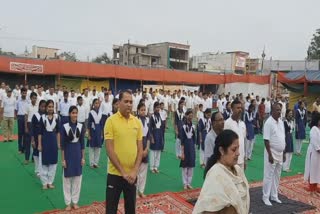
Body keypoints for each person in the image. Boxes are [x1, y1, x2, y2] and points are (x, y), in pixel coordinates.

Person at [193, 130, 250, 214]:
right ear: (222, 150)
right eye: (234, 149)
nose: (238, 153)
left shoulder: (238, 169)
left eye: (238, 148)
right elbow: (209, 210)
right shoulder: (215, 175)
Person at [105, 90, 143, 214]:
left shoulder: (137, 122)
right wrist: (122, 172)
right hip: (115, 174)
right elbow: (109, 150)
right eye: (126, 101)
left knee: (131, 209)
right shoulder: (110, 121)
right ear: (119, 103)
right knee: (111, 209)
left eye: (131, 102)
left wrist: (134, 171)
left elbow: (140, 149)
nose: (129, 104)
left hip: (131, 176)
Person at [61, 106, 85, 210]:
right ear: (69, 114)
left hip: (77, 154)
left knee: (77, 179)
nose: (75, 115)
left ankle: (75, 202)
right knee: (67, 179)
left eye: (76, 113)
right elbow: (62, 145)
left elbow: (82, 143)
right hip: (68, 154)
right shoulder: (65, 127)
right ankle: (67, 203)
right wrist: (63, 160)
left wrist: (83, 157)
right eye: (73, 113)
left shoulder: (80, 126)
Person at [262, 103, 286, 206]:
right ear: (272, 111)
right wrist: (270, 155)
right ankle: (265, 197)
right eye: (277, 110)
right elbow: (266, 140)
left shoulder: (281, 122)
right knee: (268, 175)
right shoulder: (268, 123)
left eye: (280, 110)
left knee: (277, 175)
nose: (279, 112)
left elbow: (283, 138)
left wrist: (284, 153)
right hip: (271, 152)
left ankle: (274, 195)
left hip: (280, 153)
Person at [38, 100, 60, 189]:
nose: (50, 108)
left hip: (53, 143)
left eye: (52, 106)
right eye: (49, 107)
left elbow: (58, 132)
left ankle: (50, 182)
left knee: (53, 163)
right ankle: (44, 182)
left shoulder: (57, 118)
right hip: (45, 142)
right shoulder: (42, 118)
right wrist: (39, 144)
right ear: (46, 108)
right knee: (44, 163)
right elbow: (40, 133)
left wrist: (58, 143)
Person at [224, 100, 246, 170]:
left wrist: (244, 159)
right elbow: (225, 143)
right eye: (237, 108)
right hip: (231, 161)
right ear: (232, 109)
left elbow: (243, 142)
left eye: (240, 108)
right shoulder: (227, 123)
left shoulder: (242, 124)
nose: (240, 110)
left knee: (241, 180)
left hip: (241, 159)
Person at [136, 103, 150, 198]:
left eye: (144, 110)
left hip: (146, 146)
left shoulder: (148, 120)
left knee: (144, 172)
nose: (143, 111)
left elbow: (149, 135)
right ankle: (135, 192)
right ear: (138, 110)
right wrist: (141, 150)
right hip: (137, 146)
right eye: (141, 110)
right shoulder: (135, 120)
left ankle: (141, 191)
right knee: (137, 170)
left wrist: (147, 148)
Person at [304, 112, 320, 196]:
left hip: (318, 153)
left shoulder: (319, 129)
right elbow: (314, 141)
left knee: (317, 171)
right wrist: (318, 149)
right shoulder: (314, 129)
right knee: (312, 170)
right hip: (313, 152)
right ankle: (311, 190)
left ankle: (314, 189)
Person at [180, 110, 196, 190]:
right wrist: (182, 152)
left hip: (191, 147)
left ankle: (189, 183)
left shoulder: (193, 126)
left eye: (191, 115)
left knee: (191, 166)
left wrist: (194, 149)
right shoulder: (183, 127)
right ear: (186, 116)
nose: (190, 117)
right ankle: (184, 183)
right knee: (185, 167)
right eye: (189, 115)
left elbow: (194, 139)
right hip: (185, 146)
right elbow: (182, 140)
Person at [30, 100, 46, 177]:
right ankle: (37, 170)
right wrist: (32, 140)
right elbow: (32, 128)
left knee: (43, 155)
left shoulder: (47, 116)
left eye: (44, 106)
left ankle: (42, 169)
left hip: (44, 138)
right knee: (36, 154)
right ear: (39, 106)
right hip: (36, 138)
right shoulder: (35, 115)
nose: (43, 108)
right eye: (42, 106)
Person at [87, 98, 103, 168]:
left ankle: (96, 163)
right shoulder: (91, 113)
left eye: (98, 103)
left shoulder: (100, 112)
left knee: (98, 148)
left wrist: (102, 134)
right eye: (95, 103)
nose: (97, 104)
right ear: (93, 104)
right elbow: (89, 124)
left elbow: (102, 124)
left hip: (98, 131)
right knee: (92, 148)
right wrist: (89, 134)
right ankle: (91, 163)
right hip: (92, 131)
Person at [149, 102, 164, 173]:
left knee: (158, 152)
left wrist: (162, 137)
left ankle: (156, 167)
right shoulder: (152, 117)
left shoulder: (160, 116)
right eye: (156, 107)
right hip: (154, 135)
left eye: (158, 107)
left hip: (159, 135)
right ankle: (152, 167)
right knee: (153, 152)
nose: (158, 109)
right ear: (154, 108)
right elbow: (150, 128)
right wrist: (151, 137)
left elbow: (161, 127)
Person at [24, 92, 38, 164]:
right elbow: (26, 117)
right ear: (30, 98)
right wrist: (26, 127)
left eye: (35, 98)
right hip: (29, 124)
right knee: (28, 142)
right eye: (33, 98)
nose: (34, 99)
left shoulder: (37, 106)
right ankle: (26, 159)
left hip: (36, 126)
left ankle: (33, 158)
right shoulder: (27, 106)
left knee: (35, 142)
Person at [16, 88, 29, 153]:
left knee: (25, 133)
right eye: (23, 93)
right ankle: (20, 148)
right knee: (20, 134)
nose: (24, 94)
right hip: (20, 117)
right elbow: (16, 109)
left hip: (26, 117)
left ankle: (24, 148)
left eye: (25, 93)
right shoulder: (18, 100)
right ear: (21, 93)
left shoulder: (28, 101)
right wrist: (17, 117)